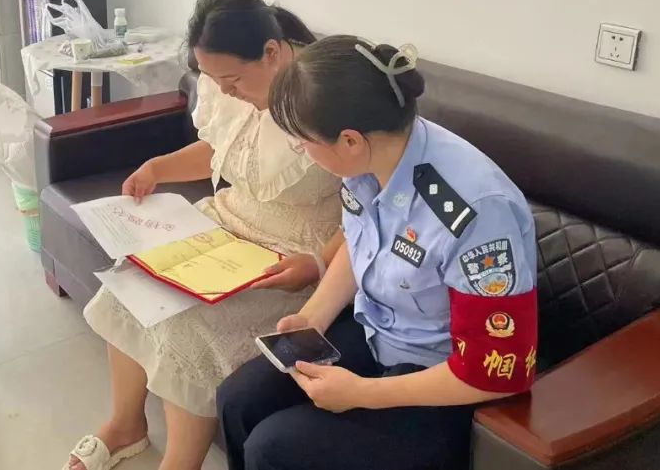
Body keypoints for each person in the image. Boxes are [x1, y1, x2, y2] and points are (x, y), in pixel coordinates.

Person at [217, 36, 539, 470]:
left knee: (274, 448)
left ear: (349, 140)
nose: (303, 152)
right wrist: (313, 317)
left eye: (303, 142)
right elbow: (362, 242)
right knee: (238, 401)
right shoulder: (373, 156)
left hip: (446, 381)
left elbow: (494, 372)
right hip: (378, 333)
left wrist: (361, 394)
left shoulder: (474, 211)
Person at [65, 0, 345, 470]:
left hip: (295, 253)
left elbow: (369, 206)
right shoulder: (229, 83)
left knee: (188, 331)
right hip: (229, 220)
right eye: (215, 81)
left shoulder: (326, 96)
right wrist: (157, 168)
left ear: (272, 53)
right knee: (129, 283)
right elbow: (225, 150)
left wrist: (317, 263)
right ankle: (126, 424)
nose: (225, 92)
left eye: (232, 80)